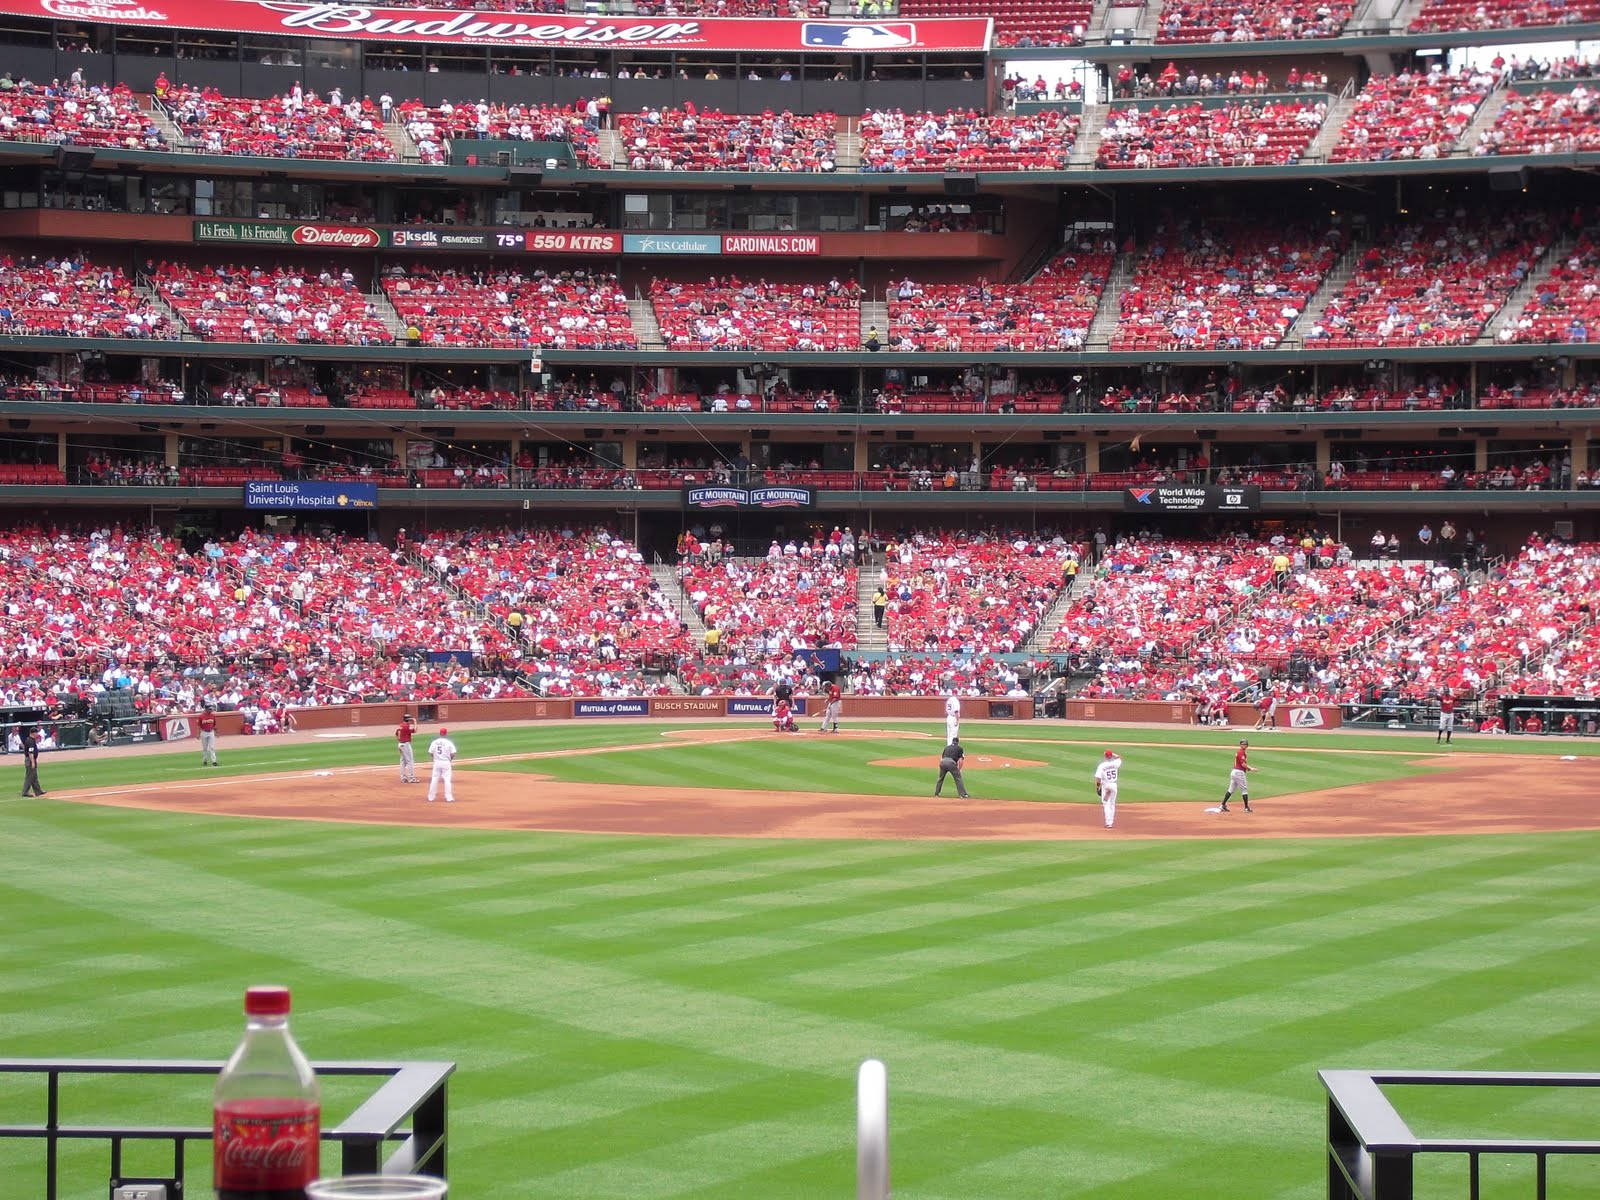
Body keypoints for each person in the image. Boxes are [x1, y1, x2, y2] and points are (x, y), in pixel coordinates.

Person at [1220, 738, 1254, 813]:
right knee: (1244, 790)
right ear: (1240, 745)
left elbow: (1242, 764)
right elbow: (1243, 764)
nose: (1245, 745)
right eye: (1243, 744)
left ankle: (1222, 805)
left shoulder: (1240, 752)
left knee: (1231, 790)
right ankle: (1246, 808)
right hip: (1239, 773)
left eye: (1246, 744)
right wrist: (1250, 768)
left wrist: (1247, 768)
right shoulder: (1241, 752)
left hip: (1234, 772)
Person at [427, 725, 457, 803]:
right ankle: (449, 797)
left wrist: (435, 758)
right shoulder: (449, 742)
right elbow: (453, 753)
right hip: (446, 762)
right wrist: (450, 759)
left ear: (440, 734)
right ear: (446, 734)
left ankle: (431, 797)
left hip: (436, 762)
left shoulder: (434, 742)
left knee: (434, 779)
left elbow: (430, 753)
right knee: (447, 780)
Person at [1095, 749, 1122, 829]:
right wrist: (1112, 754)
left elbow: (1098, 778)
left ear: (1105, 756)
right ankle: (1111, 822)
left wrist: (1098, 787)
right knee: (1112, 803)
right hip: (1114, 785)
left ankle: (1108, 823)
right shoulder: (1115, 763)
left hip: (1106, 786)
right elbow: (1120, 758)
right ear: (1111, 756)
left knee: (1106, 803)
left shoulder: (1102, 766)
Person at [20, 728, 45, 797]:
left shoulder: (30, 739)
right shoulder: (30, 741)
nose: (37, 734)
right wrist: (33, 762)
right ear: (33, 733)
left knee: (34, 777)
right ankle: (25, 792)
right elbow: (30, 752)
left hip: (31, 759)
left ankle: (38, 791)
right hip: (30, 760)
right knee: (30, 776)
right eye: (36, 733)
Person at [396, 713, 419, 782]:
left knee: (403, 761)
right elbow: (415, 730)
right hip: (405, 744)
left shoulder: (400, 726)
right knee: (410, 761)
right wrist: (415, 722)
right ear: (408, 720)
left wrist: (400, 742)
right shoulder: (406, 726)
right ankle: (411, 778)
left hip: (400, 744)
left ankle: (403, 778)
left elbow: (397, 735)